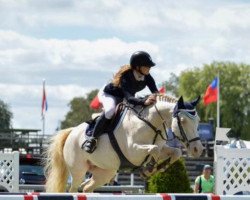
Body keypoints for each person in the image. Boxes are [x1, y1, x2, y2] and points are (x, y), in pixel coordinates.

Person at [82, 51, 159, 153]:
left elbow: (156, 92)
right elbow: (129, 98)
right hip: (109, 95)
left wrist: (156, 98)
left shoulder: (147, 76)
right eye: (147, 66)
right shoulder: (126, 76)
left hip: (124, 97)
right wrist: (144, 101)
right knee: (110, 111)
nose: (149, 68)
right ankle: (92, 139)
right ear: (137, 67)